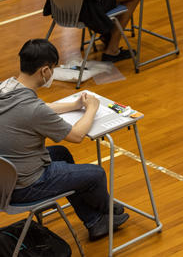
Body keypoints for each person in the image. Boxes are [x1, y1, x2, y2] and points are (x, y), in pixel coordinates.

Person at [0, 39, 129, 241]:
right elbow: (76, 136)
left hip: (6, 180)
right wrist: (92, 108)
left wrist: (75, 105)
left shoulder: (7, 87)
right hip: (26, 187)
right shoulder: (34, 110)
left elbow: (42, 109)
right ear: (44, 71)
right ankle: (106, 210)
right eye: (52, 69)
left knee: (62, 154)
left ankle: (96, 221)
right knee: (96, 174)